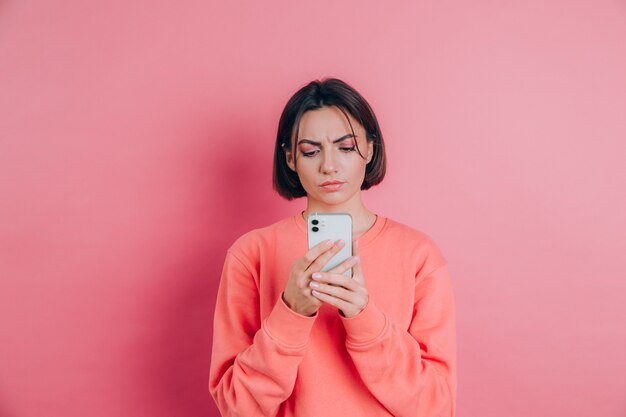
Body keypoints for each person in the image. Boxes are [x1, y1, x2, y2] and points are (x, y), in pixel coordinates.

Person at [209, 78, 457, 417]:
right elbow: (237, 406)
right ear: (291, 158)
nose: (329, 165)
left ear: (370, 148)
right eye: (311, 151)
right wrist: (291, 312)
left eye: (345, 147)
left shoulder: (419, 255)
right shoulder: (251, 253)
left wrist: (364, 317)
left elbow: (437, 408)